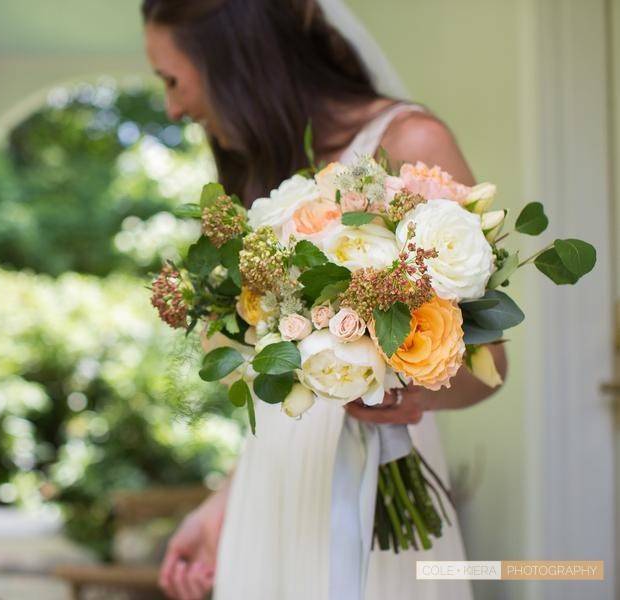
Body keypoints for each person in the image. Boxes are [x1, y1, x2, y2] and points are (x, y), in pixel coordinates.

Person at [142, 1, 509, 599]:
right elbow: (284, 399)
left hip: (374, 482)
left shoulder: (410, 142)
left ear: (236, 63)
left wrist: (408, 393)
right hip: (273, 491)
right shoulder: (266, 179)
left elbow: (492, 367)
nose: (173, 106)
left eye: (172, 79)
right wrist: (219, 508)